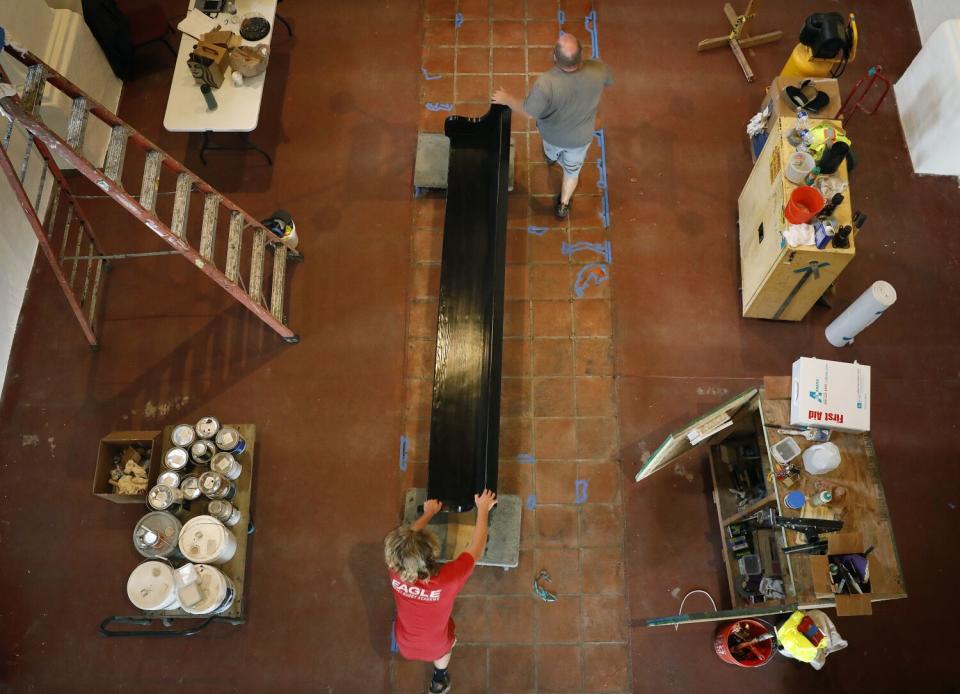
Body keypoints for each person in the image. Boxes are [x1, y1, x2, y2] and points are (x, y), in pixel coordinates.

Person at [385, 490, 498, 694]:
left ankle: (440, 682)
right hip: (437, 644)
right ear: (430, 554)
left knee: (439, 646)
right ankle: (439, 677)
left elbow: (405, 545)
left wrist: (427, 513)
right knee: (444, 651)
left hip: (405, 643)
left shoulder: (395, 570)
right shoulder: (447, 580)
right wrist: (483, 509)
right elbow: (476, 548)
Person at [492, 33, 613, 219]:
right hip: (581, 139)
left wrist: (506, 98)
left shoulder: (546, 83)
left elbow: (529, 112)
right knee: (572, 171)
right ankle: (563, 204)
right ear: (581, 55)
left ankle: (551, 158)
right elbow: (609, 82)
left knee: (550, 151)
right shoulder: (599, 68)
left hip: (553, 136)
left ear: (555, 57)